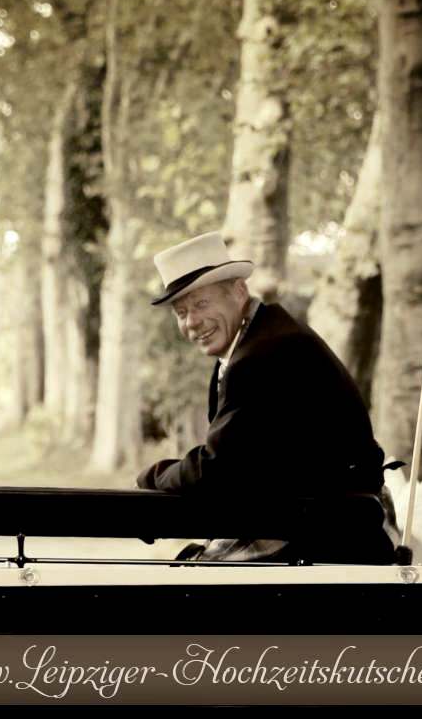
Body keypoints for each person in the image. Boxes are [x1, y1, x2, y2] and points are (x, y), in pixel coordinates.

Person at [137, 231, 392, 561]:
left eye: (201, 304)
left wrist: (152, 477)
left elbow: (216, 471)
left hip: (327, 535)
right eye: (181, 312)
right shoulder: (254, 341)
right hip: (301, 521)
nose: (192, 322)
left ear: (239, 291)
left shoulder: (264, 353)